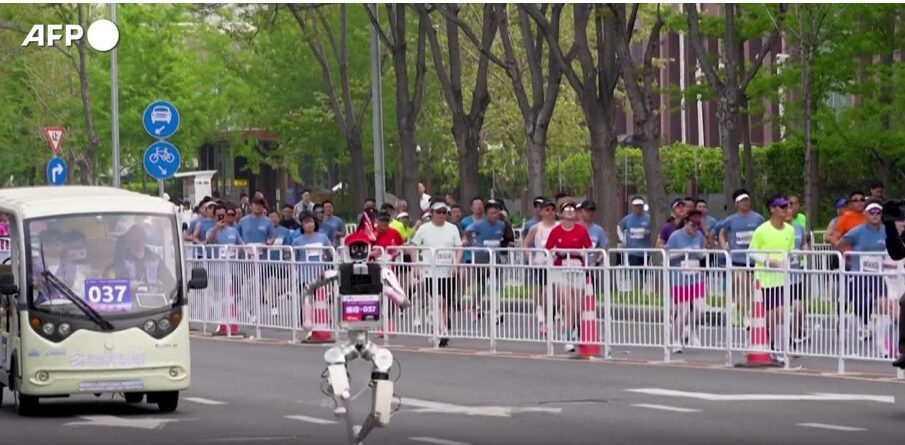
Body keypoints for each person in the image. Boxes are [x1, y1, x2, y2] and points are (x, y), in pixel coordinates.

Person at [749, 195, 795, 364]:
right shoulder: (762, 230)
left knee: (781, 313)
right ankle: (763, 341)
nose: (786, 210)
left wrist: (787, 262)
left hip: (782, 280)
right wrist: (767, 261)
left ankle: (780, 350)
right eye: (782, 207)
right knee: (770, 316)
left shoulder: (790, 230)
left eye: (787, 206)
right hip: (764, 280)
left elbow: (790, 252)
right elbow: (752, 251)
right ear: (772, 209)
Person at [410, 201, 463, 348]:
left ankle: (441, 328)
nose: (441, 215)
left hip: (448, 272)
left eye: (444, 212)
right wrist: (415, 265)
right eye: (438, 212)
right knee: (438, 301)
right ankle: (442, 331)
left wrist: (456, 264)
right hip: (430, 272)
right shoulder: (424, 229)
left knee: (445, 304)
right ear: (432, 212)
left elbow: (459, 248)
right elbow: (413, 247)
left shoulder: (453, 229)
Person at [545, 201, 592, 353]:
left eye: (573, 209)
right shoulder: (556, 231)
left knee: (578, 306)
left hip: (577, 269)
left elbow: (589, 249)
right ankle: (567, 338)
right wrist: (557, 251)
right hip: (560, 269)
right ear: (561, 213)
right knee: (569, 304)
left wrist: (581, 253)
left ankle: (572, 331)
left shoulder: (581, 230)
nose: (571, 212)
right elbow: (548, 250)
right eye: (567, 209)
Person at [840, 199, 888, 344]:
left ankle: (882, 333)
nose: (875, 215)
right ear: (866, 214)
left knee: (882, 301)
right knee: (860, 302)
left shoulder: (886, 231)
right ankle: (863, 323)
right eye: (872, 212)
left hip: (879, 273)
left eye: (878, 212)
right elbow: (839, 243)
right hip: (859, 273)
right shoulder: (857, 231)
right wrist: (847, 257)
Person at [720, 189, 764, 328]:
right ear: (737, 204)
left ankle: (747, 312)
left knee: (754, 289)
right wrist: (724, 247)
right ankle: (745, 316)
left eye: (747, 200)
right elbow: (721, 233)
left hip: (754, 260)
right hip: (737, 260)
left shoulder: (758, 218)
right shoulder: (730, 220)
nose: (746, 203)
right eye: (742, 201)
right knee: (742, 288)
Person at [666, 209, 706, 353]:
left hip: (696, 277)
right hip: (680, 278)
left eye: (697, 226)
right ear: (686, 222)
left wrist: (700, 253)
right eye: (692, 225)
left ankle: (691, 328)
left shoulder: (699, 235)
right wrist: (684, 252)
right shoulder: (676, 236)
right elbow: (668, 255)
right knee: (682, 311)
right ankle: (676, 340)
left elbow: (702, 254)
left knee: (699, 308)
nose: (694, 229)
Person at [522, 199, 558, 335]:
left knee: (554, 292)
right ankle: (542, 318)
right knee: (541, 292)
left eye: (552, 210)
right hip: (540, 264)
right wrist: (530, 258)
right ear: (541, 212)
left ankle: (553, 314)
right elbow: (525, 244)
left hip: (556, 264)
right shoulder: (536, 228)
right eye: (546, 210)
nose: (550, 213)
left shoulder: (559, 227)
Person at [114, 224, 176, 292]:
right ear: (129, 239)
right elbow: (116, 283)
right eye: (135, 236)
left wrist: (166, 295)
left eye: (142, 236)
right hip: (128, 299)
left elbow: (170, 282)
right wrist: (128, 284)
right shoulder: (121, 260)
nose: (138, 240)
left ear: (146, 240)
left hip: (153, 300)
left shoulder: (155, 260)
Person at [618, 196, 652, 291]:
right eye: (636, 206)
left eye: (640, 206)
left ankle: (640, 288)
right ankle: (635, 289)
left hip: (646, 251)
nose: (638, 208)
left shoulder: (648, 218)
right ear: (633, 207)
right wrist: (622, 239)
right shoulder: (627, 219)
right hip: (633, 251)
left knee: (644, 272)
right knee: (635, 272)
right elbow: (619, 228)